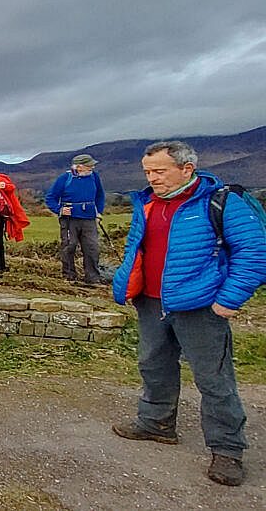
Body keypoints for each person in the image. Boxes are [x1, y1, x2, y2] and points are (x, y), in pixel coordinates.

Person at [111, 141, 266, 487]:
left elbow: (254, 254)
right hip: (151, 303)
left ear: (186, 168)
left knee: (214, 379)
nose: (152, 178)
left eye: (159, 171)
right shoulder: (147, 203)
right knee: (153, 365)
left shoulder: (222, 202)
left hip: (200, 306)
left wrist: (228, 300)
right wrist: (126, 283)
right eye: (148, 172)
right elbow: (136, 247)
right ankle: (156, 423)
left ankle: (227, 450)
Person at [45, 153, 105, 284]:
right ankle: (69, 275)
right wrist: (59, 209)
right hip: (69, 219)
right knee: (69, 246)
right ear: (79, 167)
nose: (92, 167)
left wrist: (99, 212)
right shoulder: (65, 178)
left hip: (89, 218)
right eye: (89, 165)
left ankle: (92, 277)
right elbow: (50, 198)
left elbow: (100, 195)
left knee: (92, 247)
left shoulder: (94, 177)